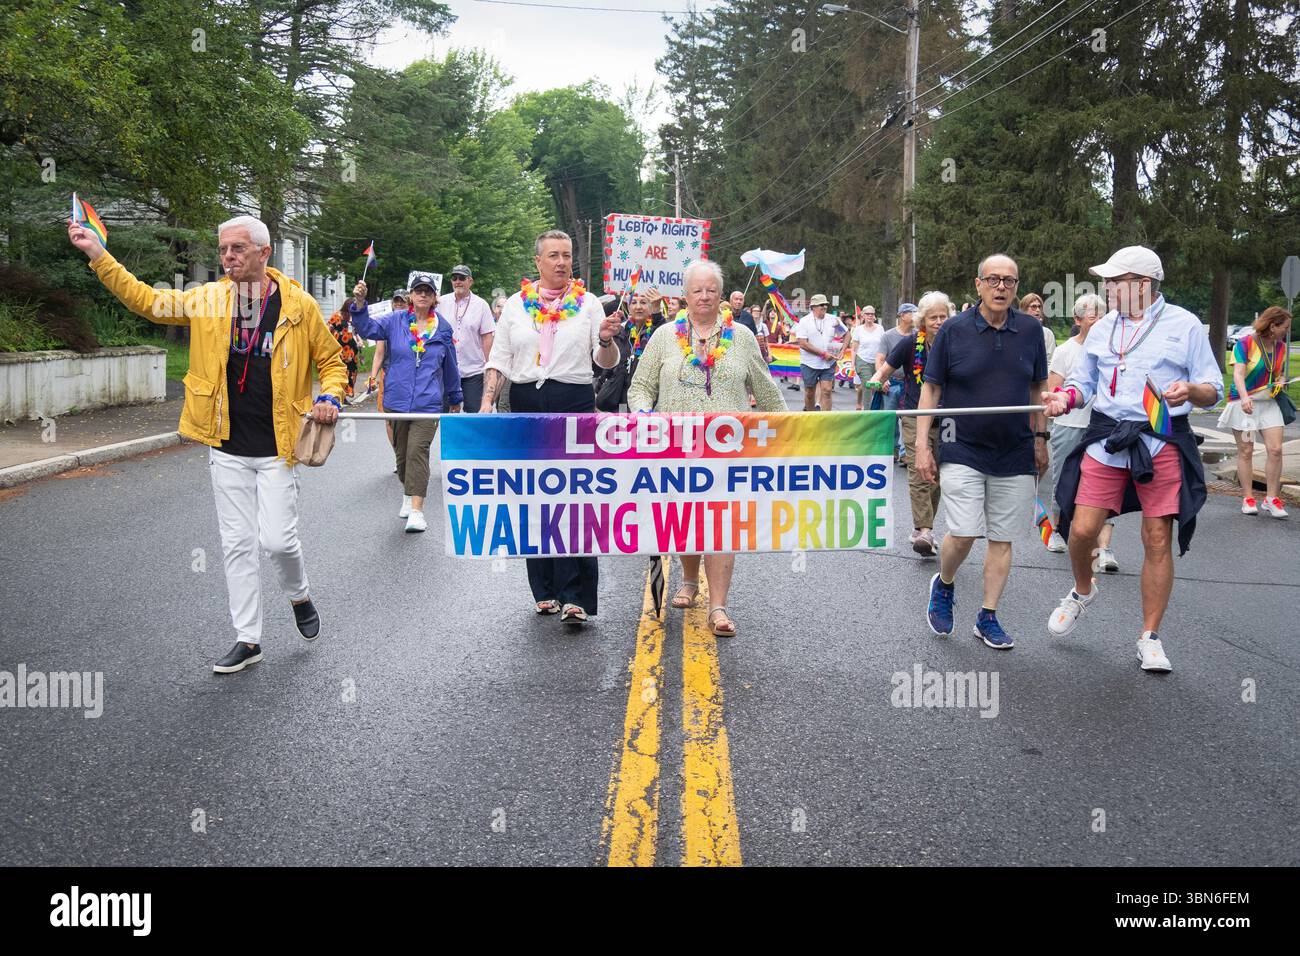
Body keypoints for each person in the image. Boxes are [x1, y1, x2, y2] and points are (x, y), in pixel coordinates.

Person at [69, 213, 345, 674]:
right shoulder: (209, 299)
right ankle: (248, 640)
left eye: (237, 249)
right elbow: (148, 301)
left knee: (277, 541)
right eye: (222, 250)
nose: (228, 258)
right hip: (226, 445)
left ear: (264, 253)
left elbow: (332, 360)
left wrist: (331, 395)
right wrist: (98, 254)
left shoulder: (298, 305)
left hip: (279, 446)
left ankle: (298, 595)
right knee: (237, 543)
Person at [1043, 245, 1224, 673]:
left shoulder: (1185, 325)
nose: (1106, 287)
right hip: (1107, 436)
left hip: (1160, 437)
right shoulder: (1104, 327)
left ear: (1142, 285)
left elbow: (1213, 387)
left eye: (1114, 281)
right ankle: (1083, 590)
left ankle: (1150, 637)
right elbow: (1083, 383)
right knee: (1082, 528)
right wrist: (1064, 398)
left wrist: (1191, 391)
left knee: (1156, 538)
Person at [627, 259, 786, 638]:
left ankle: (718, 605)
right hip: (676, 449)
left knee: (720, 525)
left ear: (721, 295)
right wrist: (645, 417)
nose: (704, 296)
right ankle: (687, 579)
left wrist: (789, 430)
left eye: (711, 290)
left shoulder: (742, 338)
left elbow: (766, 391)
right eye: (696, 290)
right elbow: (639, 388)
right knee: (685, 521)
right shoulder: (664, 336)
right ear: (684, 295)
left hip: (726, 450)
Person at [480, 230, 622, 623]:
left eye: (567, 256)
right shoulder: (515, 305)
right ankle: (544, 588)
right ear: (538, 261)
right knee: (534, 496)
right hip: (526, 400)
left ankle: (575, 595)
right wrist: (487, 402)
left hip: (573, 401)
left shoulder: (589, 304)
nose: (562, 262)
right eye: (554, 256)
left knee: (573, 497)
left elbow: (604, 361)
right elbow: (501, 358)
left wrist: (608, 340)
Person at [915, 254, 1049, 650]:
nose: (1002, 287)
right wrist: (923, 445)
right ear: (978, 285)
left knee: (1003, 538)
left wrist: (1040, 438)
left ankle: (987, 616)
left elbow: (1037, 389)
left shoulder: (1030, 332)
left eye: (1009, 280)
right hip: (962, 444)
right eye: (993, 279)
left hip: (1015, 449)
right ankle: (945, 582)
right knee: (965, 531)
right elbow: (931, 389)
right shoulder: (953, 331)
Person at [349, 272, 463, 533]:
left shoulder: (443, 328)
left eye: (428, 291)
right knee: (401, 456)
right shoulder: (394, 321)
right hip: (397, 401)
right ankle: (407, 493)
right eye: (418, 290)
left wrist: (455, 397)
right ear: (411, 296)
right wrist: (359, 304)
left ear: (434, 298)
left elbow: (450, 367)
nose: (423, 294)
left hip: (429, 403)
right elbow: (366, 328)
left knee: (417, 452)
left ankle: (416, 510)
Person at [867, 291, 950, 557]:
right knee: (918, 469)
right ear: (923, 320)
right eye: (933, 317)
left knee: (936, 474)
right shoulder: (910, 342)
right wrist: (876, 380)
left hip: (949, 416)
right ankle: (924, 529)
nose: (939, 321)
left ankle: (925, 527)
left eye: (943, 316)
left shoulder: (955, 343)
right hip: (914, 414)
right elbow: (887, 368)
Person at [1045, 293, 1119, 569]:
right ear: (1078, 320)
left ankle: (1104, 548)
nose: (1099, 321)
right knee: (1063, 479)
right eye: (1092, 316)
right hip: (1070, 425)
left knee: (1108, 485)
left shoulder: (1115, 349)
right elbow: (1054, 391)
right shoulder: (1066, 351)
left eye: (1103, 315)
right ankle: (1057, 530)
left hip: (1104, 428)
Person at [1219, 306, 1292, 517]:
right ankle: (1248, 498)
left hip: (1268, 403)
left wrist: (1280, 380)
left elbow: (1276, 373)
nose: (1287, 331)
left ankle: (1271, 499)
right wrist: (1243, 398)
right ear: (1272, 325)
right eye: (1285, 327)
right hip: (1245, 404)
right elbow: (1238, 375)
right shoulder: (1245, 344)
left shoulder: (1281, 347)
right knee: (1246, 450)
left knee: (1276, 449)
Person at [436, 265, 495, 414]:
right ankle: (450, 438)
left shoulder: (481, 305)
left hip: (473, 370)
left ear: (470, 281)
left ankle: (474, 438)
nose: (458, 281)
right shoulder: (440, 303)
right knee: (445, 414)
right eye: (454, 278)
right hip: (446, 369)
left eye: (462, 278)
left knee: (475, 414)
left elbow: (487, 337)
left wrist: (490, 367)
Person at [369, 288, 408, 464]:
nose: (399, 304)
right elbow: (379, 353)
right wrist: (373, 376)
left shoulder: (417, 322)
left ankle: (410, 452)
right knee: (389, 417)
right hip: (388, 374)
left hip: (409, 376)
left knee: (410, 417)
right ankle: (398, 455)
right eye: (396, 301)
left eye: (403, 301)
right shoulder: (386, 323)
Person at [876, 303, 916, 458]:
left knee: (909, 418)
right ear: (902, 315)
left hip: (911, 382)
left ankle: (906, 452)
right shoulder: (888, 335)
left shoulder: (918, 335)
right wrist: (883, 379)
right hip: (892, 382)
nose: (915, 315)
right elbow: (880, 358)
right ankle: (892, 450)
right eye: (912, 312)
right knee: (891, 418)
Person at [795, 294, 846, 411]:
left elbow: (846, 334)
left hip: (828, 363)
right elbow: (802, 343)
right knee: (809, 392)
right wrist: (822, 354)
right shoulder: (804, 321)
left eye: (826, 305)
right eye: (821, 305)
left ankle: (826, 421)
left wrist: (842, 351)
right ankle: (811, 417)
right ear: (813, 307)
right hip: (809, 363)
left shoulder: (833, 320)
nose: (824, 307)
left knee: (827, 390)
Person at [851, 305, 884, 411]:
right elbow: (854, 348)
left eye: (872, 314)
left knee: (878, 386)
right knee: (868, 385)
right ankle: (867, 412)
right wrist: (852, 365)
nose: (870, 316)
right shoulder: (858, 330)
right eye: (868, 314)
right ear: (863, 316)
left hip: (877, 361)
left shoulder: (880, 328)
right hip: (862, 360)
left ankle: (878, 410)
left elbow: (884, 345)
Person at [327, 307, 363, 401]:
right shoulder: (336, 316)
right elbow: (328, 329)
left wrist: (359, 340)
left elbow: (356, 332)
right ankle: (341, 396)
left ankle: (347, 394)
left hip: (352, 351)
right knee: (341, 372)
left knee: (352, 372)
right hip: (340, 350)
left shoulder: (353, 318)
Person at [1018, 291, 1056, 365]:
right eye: (1034, 307)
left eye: (1039, 307)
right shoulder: (1015, 331)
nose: (1038, 310)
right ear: (1024, 309)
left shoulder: (1047, 333)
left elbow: (1050, 362)